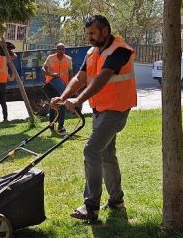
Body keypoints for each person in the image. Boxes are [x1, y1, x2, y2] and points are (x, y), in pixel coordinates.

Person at [51, 15, 137, 222]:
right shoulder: (92, 52)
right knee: (106, 153)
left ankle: (91, 206)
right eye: (87, 33)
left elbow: (102, 79)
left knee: (91, 150)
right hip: (100, 109)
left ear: (105, 31)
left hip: (116, 110)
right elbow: (80, 78)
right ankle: (116, 201)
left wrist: (78, 100)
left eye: (92, 33)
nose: (89, 37)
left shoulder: (120, 50)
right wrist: (63, 97)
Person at [42, 42, 73, 135]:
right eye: (59, 49)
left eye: (62, 49)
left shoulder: (68, 59)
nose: (61, 50)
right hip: (51, 85)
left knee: (62, 106)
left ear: (64, 50)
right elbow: (43, 68)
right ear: (56, 50)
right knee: (53, 105)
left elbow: (71, 72)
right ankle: (51, 124)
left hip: (63, 86)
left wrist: (70, 84)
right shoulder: (50, 58)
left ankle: (61, 126)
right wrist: (50, 74)